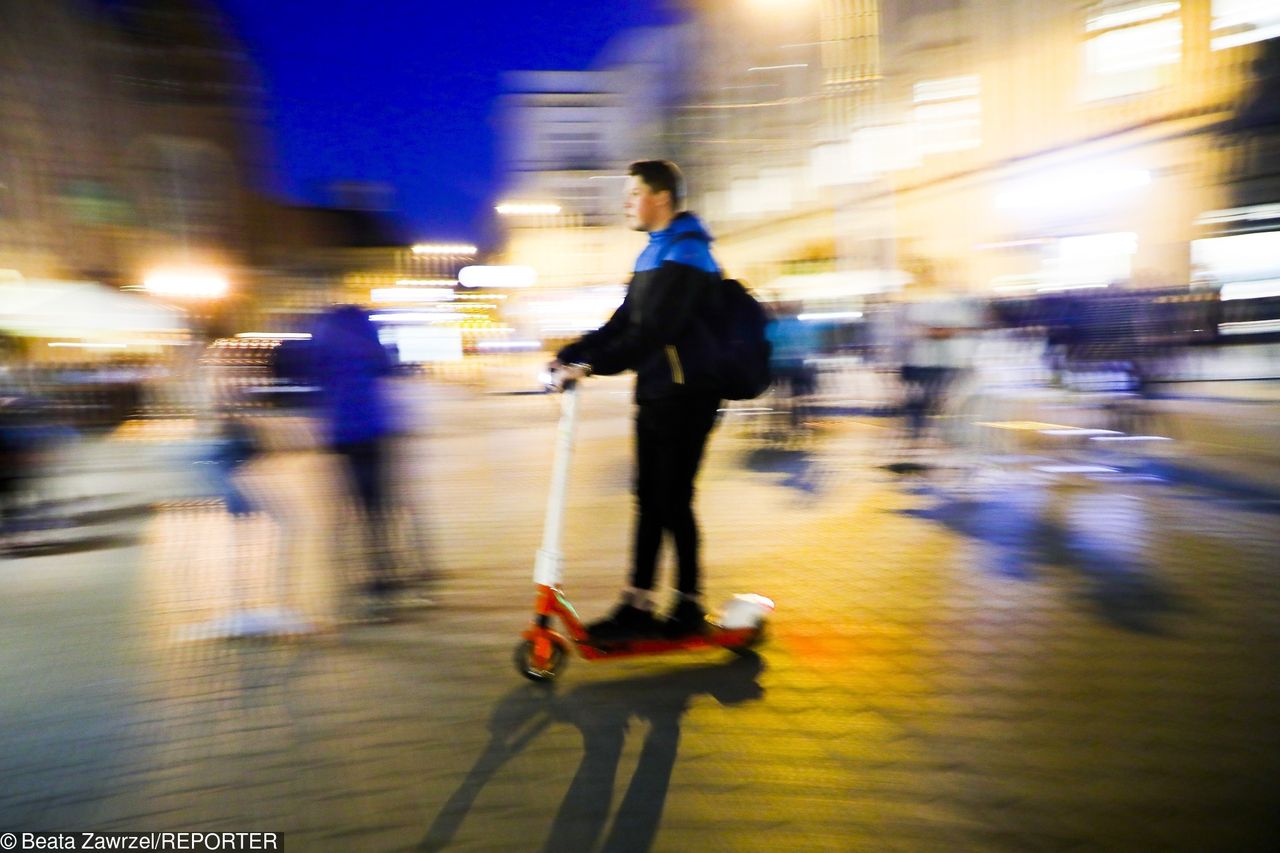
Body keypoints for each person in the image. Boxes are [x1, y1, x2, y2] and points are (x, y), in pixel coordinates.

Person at [548, 160, 724, 641]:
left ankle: (686, 603)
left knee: (673, 499)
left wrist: (591, 367)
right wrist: (573, 351)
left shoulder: (688, 253)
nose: (626, 203)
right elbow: (622, 323)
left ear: (660, 198)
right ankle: (639, 601)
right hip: (657, 393)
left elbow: (655, 333)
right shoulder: (655, 253)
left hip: (690, 395)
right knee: (651, 499)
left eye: (633, 194)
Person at [309, 304, 399, 618]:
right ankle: (381, 575)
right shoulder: (368, 333)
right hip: (373, 430)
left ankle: (344, 576)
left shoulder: (324, 335)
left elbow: (314, 374)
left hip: (339, 432)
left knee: (344, 508)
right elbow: (388, 365)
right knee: (377, 510)